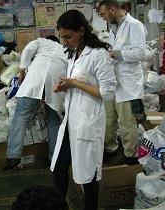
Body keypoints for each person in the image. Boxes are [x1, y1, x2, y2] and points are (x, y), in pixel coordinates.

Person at [50, 9, 117, 210]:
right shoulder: (74, 54)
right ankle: (57, 206)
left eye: (68, 37)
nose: (64, 41)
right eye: (62, 37)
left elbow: (107, 93)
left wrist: (74, 83)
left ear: (81, 31)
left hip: (88, 122)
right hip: (71, 121)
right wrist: (66, 86)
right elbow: (77, 82)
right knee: (59, 168)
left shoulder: (98, 55)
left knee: (88, 176)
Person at [3, 35, 68, 170]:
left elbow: (27, 50)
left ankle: (13, 157)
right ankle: (54, 159)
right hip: (56, 83)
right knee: (53, 120)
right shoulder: (64, 50)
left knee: (21, 116)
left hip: (36, 79)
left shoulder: (42, 41)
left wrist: (22, 70)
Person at [98, 0, 147, 165]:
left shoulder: (134, 25)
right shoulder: (113, 28)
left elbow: (140, 53)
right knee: (108, 119)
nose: (104, 18)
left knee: (126, 122)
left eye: (104, 14)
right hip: (112, 81)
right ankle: (111, 149)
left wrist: (115, 54)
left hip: (127, 83)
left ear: (112, 10)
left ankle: (130, 154)